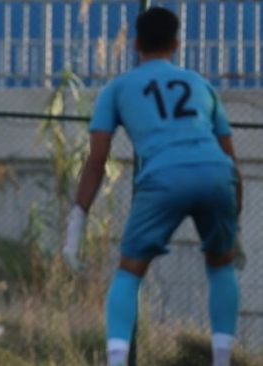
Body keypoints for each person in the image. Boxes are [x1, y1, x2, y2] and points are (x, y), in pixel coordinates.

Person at [62, 7, 242, 366]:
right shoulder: (200, 84)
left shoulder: (118, 89)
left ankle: (115, 360)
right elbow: (231, 160)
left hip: (164, 177)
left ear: (135, 43)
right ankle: (222, 359)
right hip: (215, 173)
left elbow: (97, 159)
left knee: (129, 271)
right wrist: (233, 221)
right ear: (177, 43)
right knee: (222, 264)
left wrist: (77, 220)